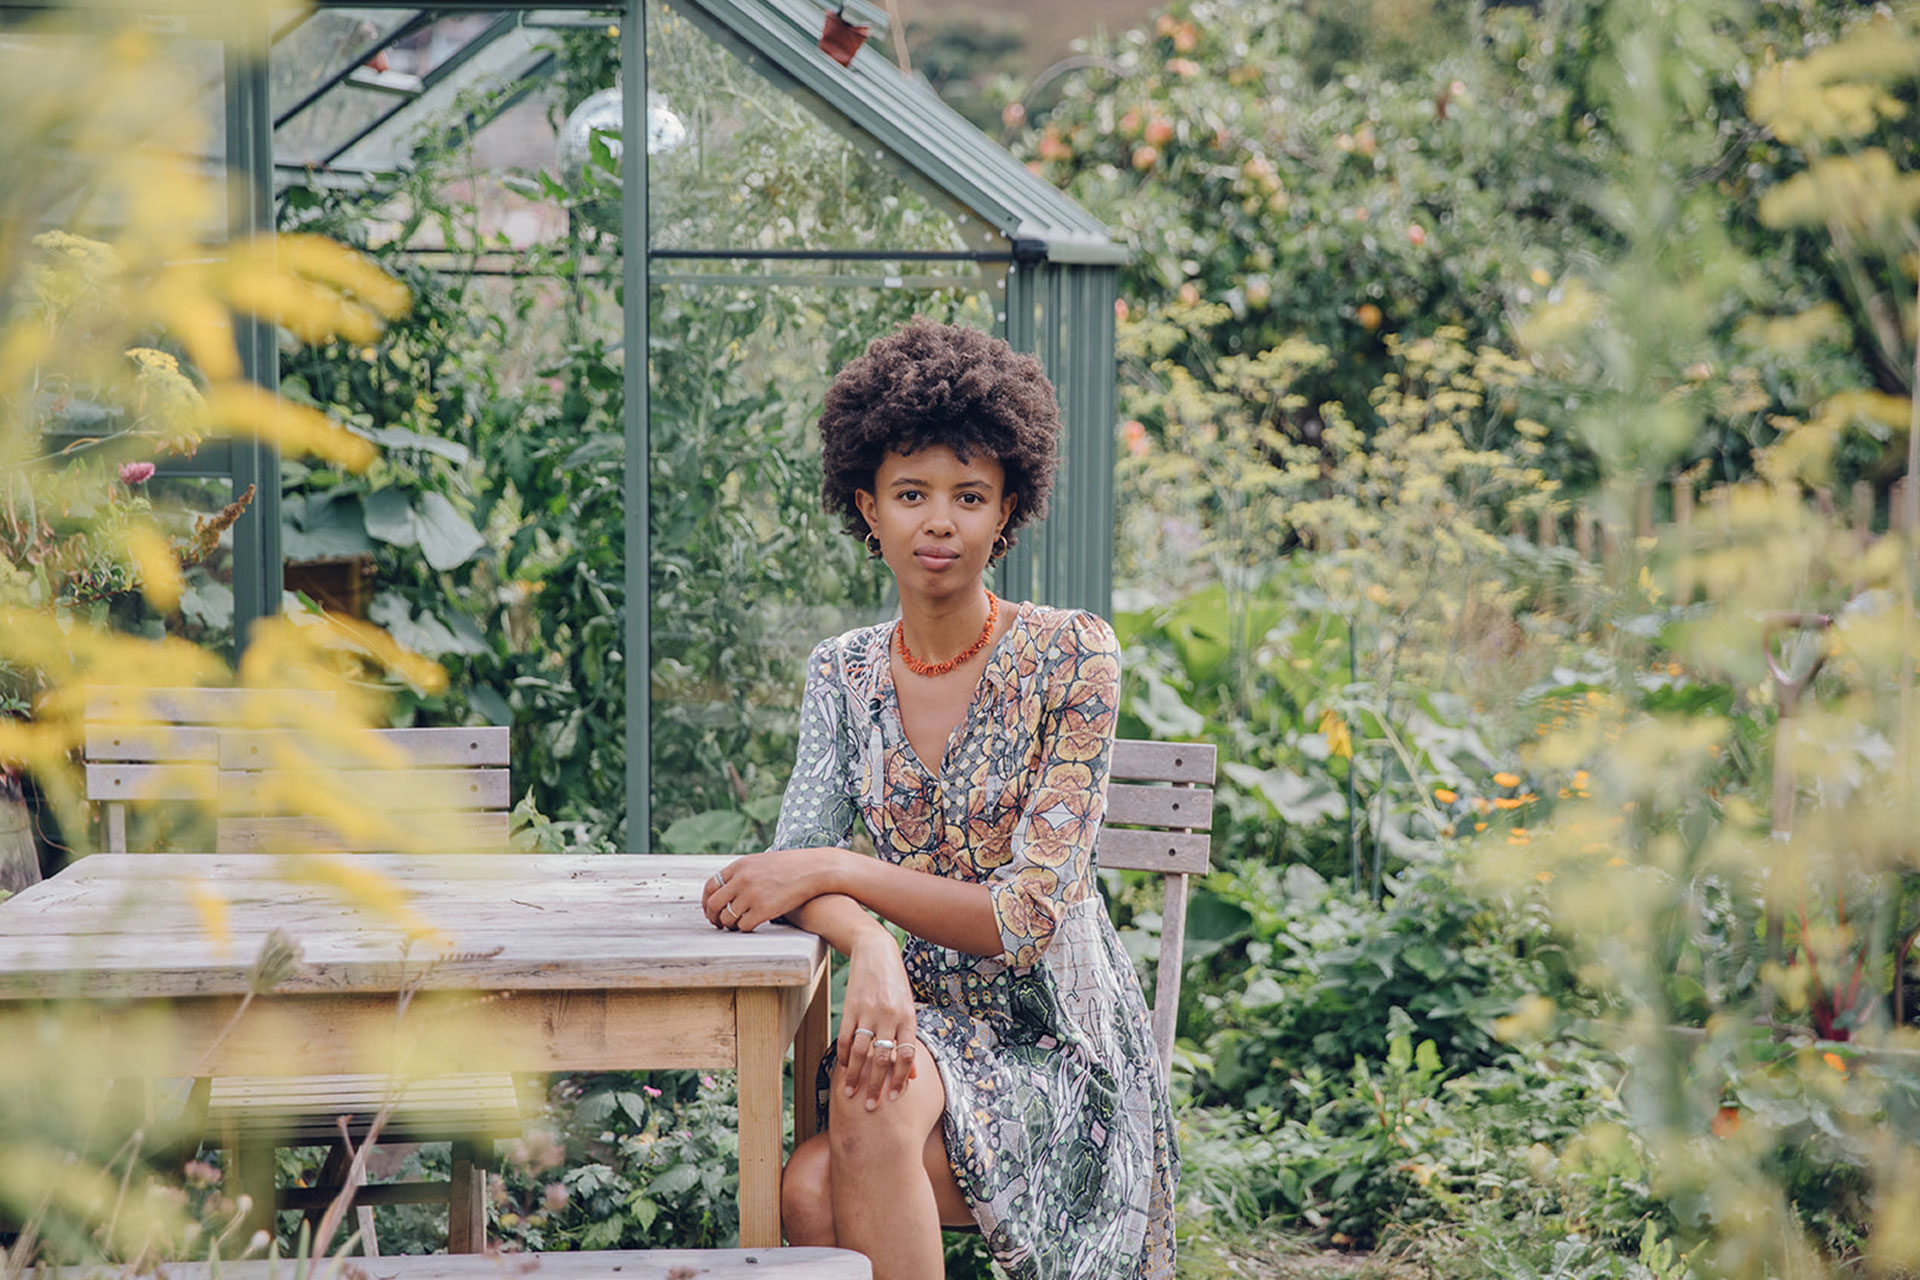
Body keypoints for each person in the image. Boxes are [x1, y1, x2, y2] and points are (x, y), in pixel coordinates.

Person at [699, 318, 1177, 1280]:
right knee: (832, 1148)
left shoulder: (1074, 656)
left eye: (970, 496)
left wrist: (844, 870)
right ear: (867, 507)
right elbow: (792, 868)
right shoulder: (841, 674)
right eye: (911, 494)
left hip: (1059, 1048)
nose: (940, 522)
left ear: (1008, 511)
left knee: (815, 1179)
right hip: (916, 1017)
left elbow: (1025, 916)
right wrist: (869, 942)